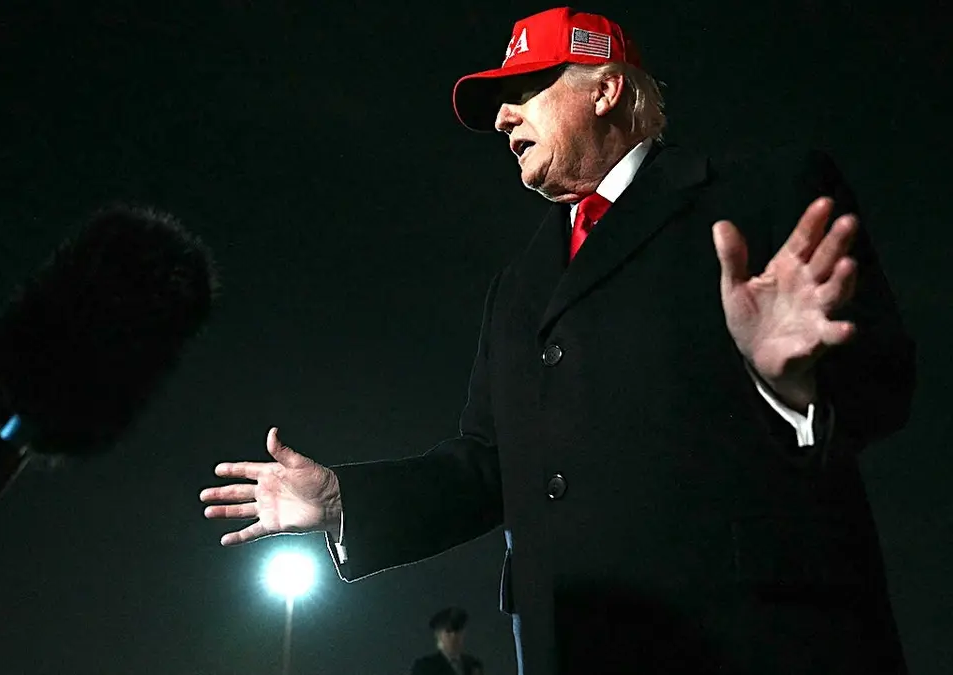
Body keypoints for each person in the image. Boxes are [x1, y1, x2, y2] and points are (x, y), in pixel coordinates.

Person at [200, 7, 915, 674]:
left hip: (756, 643)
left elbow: (886, 381)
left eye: (527, 89)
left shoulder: (760, 191)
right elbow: (488, 465)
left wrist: (791, 386)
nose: (504, 116)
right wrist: (346, 498)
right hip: (570, 648)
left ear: (605, 90)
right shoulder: (517, 288)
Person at [411, 607, 484, 675]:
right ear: (438, 635)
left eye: (458, 631)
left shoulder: (473, 665)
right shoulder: (425, 667)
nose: (454, 636)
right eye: (448, 631)